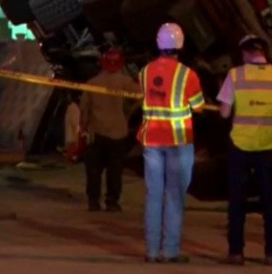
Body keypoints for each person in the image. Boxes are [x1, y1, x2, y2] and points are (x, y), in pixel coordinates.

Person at [217, 34, 272, 266]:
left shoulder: (235, 75)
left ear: (245, 53)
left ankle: (236, 253)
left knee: (237, 201)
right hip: (269, 146)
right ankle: (271, 253)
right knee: (270, 201)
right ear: (264, 52)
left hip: (240, 145)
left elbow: (224, 113)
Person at [138, 22, 205, 263]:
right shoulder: (188, 75)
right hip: (178, 140)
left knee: (153, 195)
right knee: (174, 196)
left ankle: (151, 251)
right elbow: (198, 107)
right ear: (181, 44)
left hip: (151, 140)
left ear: (158, 43)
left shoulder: (144, 72)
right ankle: (170, 251)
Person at [80, 47, 140, 212]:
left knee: (93, 170)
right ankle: (112, 202)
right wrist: (129, 113)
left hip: (96, 132)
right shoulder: (125, 82)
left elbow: (84, 109)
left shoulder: (92, 83)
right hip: (118, 132)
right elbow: (143, 97)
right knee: (115, 170)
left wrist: (83, 128)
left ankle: (93, 202)